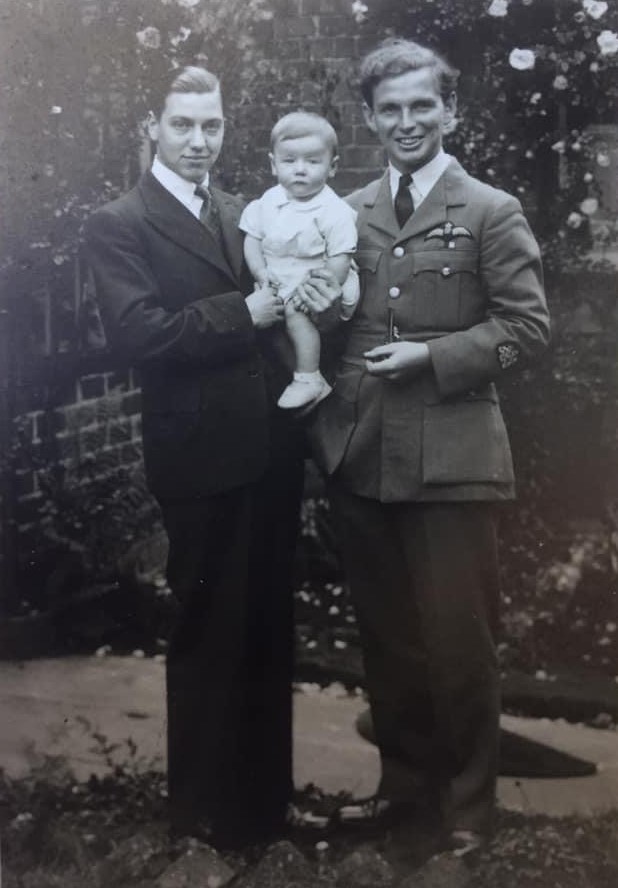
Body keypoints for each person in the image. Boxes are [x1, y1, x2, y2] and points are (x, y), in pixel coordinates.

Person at [84, 65, 339, 848]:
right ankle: (199, 817)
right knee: (208, 632)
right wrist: (243, 310)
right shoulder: (120, 222)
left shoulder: (243, 209)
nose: (200, 140)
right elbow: (140, 336)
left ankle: (264, 808)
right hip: (198, 458)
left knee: (268, 627)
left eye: (212, 125)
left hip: (269, 451)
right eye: (183, 125)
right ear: (152, 128)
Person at [308, 38, 550, 855]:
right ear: (370, 119)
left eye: (422, 106)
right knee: (389, 641)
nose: (407, 121)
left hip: (453, 462)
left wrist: (434, 358)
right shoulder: (343, 212)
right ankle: (404, 795)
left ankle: (470, 811)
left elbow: (526, 331)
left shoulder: (490, 209)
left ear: (451, 111)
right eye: (391, 109)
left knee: (459, 645)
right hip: (364, 457)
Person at [240, 111, 360, 410]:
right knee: (272, 323)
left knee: (295, 314)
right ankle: (293, 374)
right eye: (289, 161)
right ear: (273, 164)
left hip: (316, 280)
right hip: (278, 275)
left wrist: (322, 287)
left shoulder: (333, 210)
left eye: (313, 161)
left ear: (332, 167)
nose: (300, 170)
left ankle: (309, 377)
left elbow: (340, 257)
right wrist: (260, 272)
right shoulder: (268, 202)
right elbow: (252, 238)